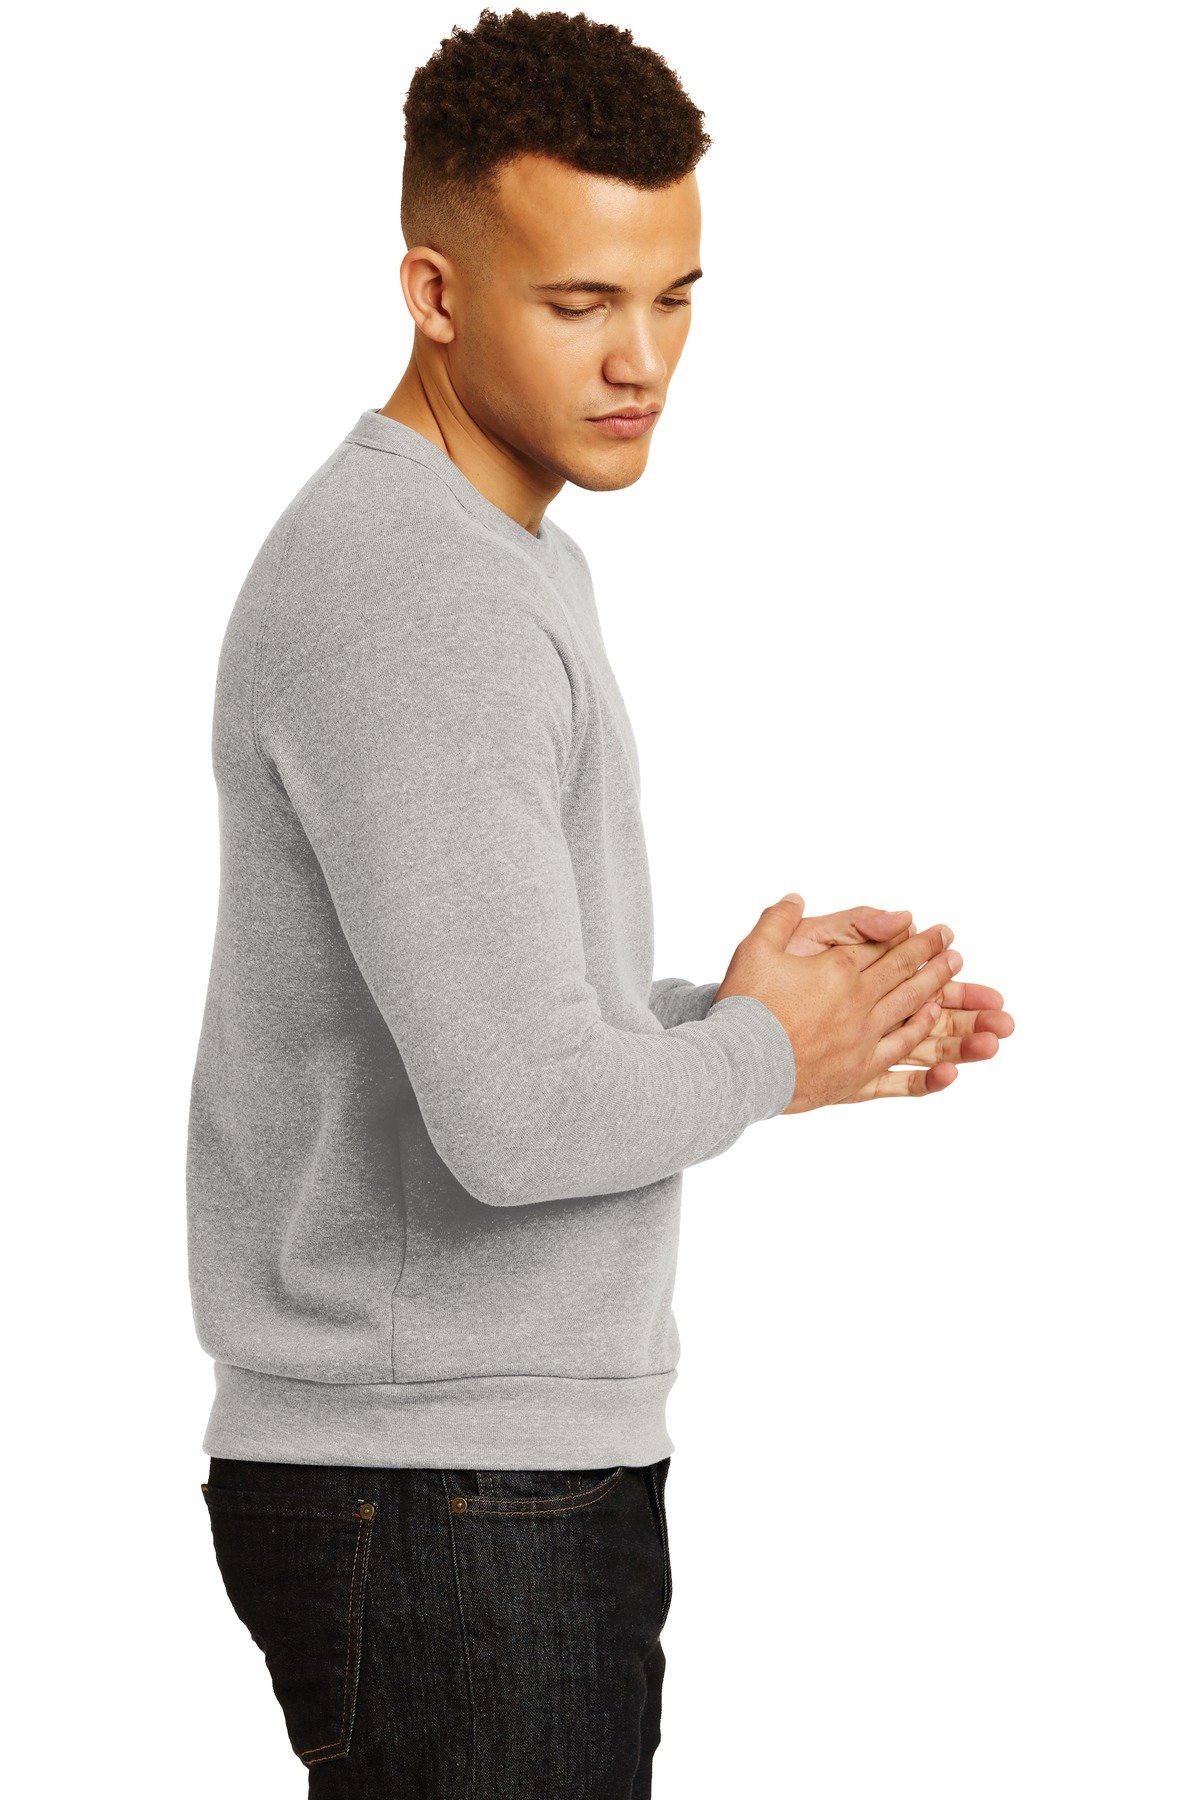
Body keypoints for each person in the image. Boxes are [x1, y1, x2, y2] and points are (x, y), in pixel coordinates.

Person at [188, 9, 1012, 1795]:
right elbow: (515, 1120)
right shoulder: (423, 595)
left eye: (675, 297)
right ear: (434, 292)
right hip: (449, 1491)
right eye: (580, 305)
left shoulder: (491, 558)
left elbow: (483, 1039)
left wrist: (763, 1024)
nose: (643, 360)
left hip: (459, 1477)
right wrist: (766, 1057)